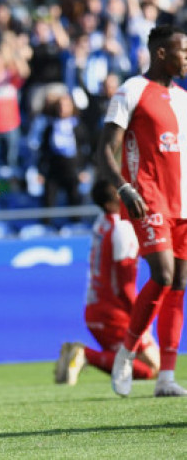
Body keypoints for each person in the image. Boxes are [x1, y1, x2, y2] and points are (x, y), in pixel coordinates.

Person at [97, 25, 187, 398]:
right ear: (162, 53)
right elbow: (104, 150)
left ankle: (166, 376)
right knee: (162, 274)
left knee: (179, 283)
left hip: (182, 201)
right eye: (184, 51)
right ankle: (126, 352)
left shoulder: (183, 98)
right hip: (147, 198)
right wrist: (123, 186)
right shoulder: (131, 91)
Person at [55, 179, 160, 386]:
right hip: (115, 313)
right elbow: (124, 285)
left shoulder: (102, 222)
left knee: (146, 363)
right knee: (150, 368)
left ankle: (82, 355)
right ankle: (85, 354)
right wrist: (140, 319)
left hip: (95, 309)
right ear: (113, 203)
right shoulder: (122, 229)